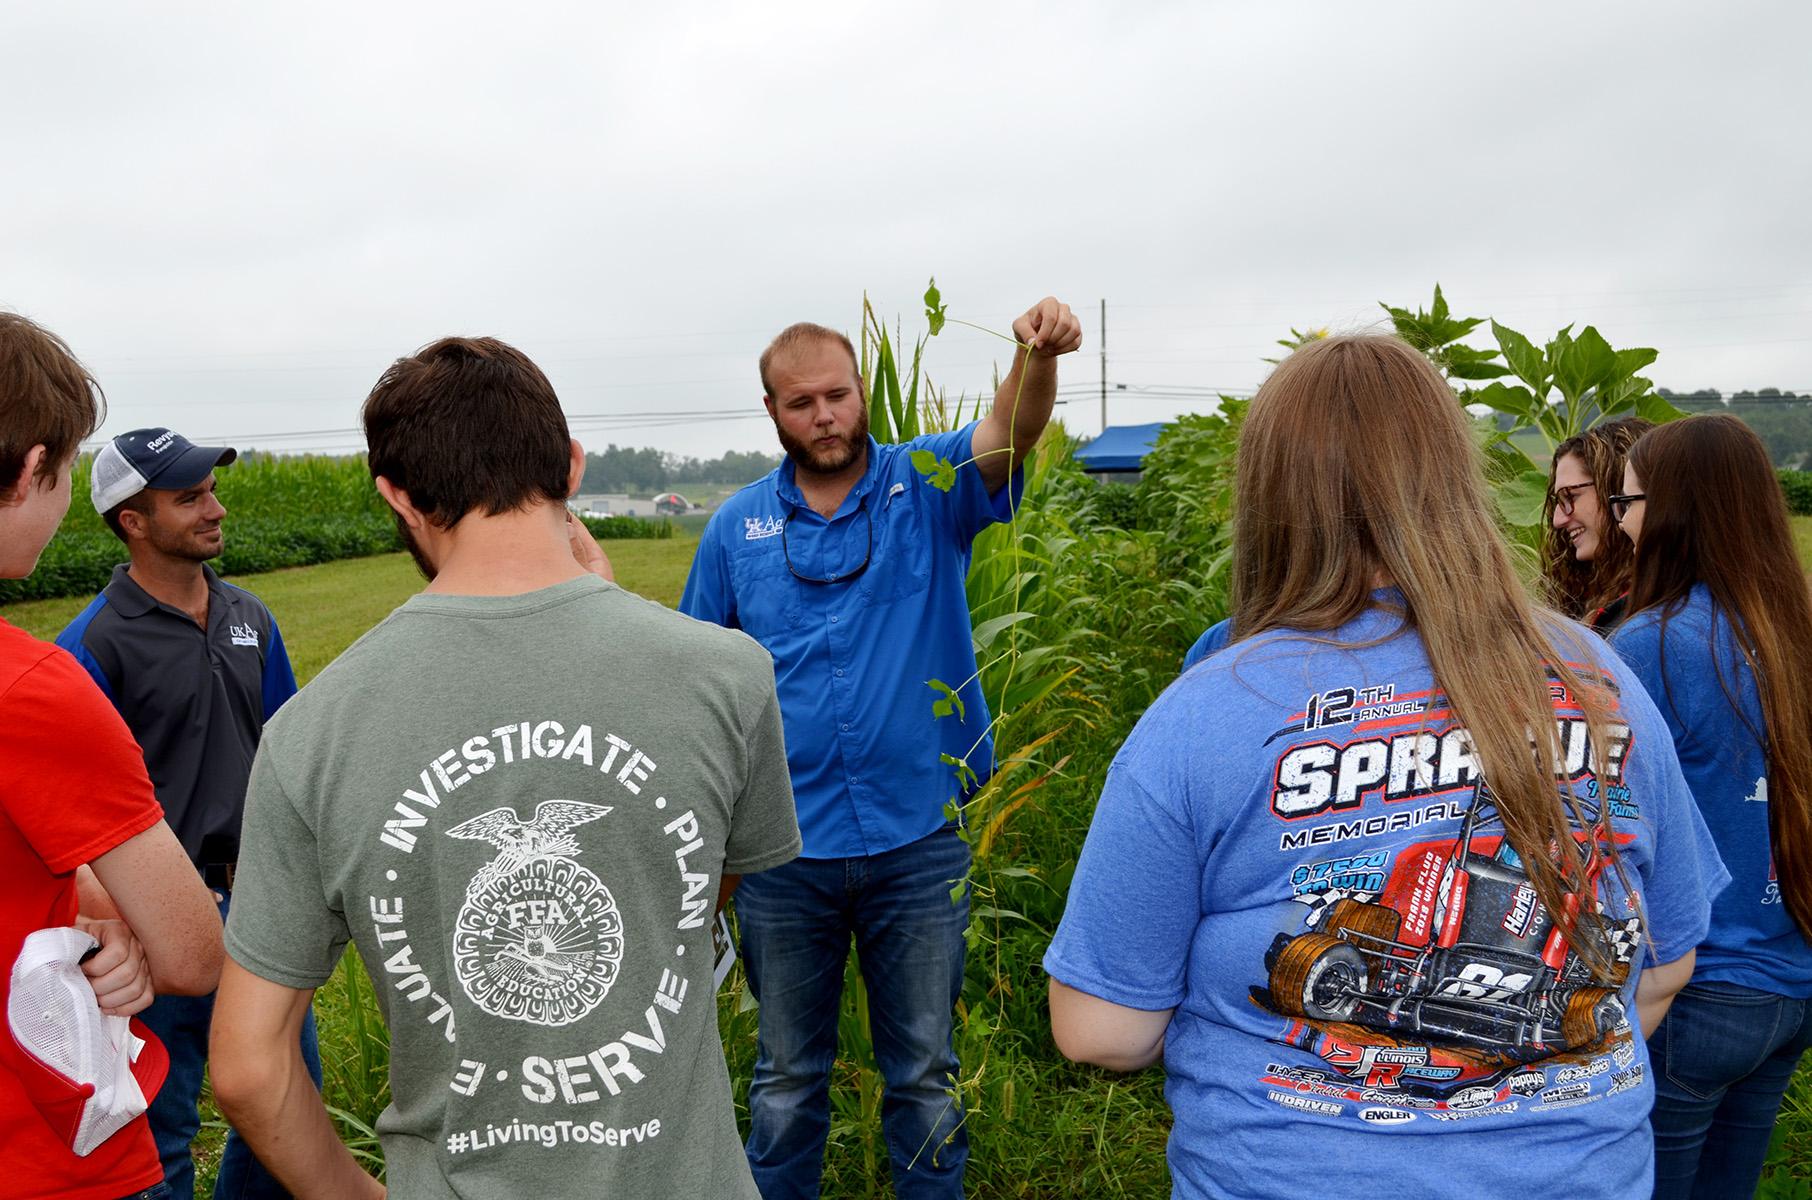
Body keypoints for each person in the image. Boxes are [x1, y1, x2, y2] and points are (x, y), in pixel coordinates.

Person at [1045, 335, 1727, 1200]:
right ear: (1455, 478)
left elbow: (1102, 1030)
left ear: (1271, 495)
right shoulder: (1596, 675)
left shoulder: (1208, 710)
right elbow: (1667, 960)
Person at [209, 336, 801, 1199]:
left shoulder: (310, 733)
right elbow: (693, 889)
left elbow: (249, 1069)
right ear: (570, 464)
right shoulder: (728, 675)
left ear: (398, 497)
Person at [680, 298, 1082, 1198]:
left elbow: (1010, 434)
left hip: (917, 842)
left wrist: (1036, 357)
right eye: (800, 403)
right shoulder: (735, 530)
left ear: (862, 394)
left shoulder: (927, 485)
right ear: (774, 413)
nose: (823, 416)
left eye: (838, 395)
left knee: (924, 1077)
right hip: (784, 855)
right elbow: (696, 679)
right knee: (786, 1083)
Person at [55, 428, 322, 1199]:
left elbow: (285, 751)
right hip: (158, 920)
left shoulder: (252, 618)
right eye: (190, 497)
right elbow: (71, 818)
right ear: (132, 522)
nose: (216, 508)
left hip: (261, 908)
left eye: (211, 491)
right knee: (161, 1125)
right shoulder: (93, 646)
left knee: (283, 1104)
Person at [0, 311, 223, 1200]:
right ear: (30, 469)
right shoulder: (40, 686)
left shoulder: (246, 616)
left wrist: (84, 898)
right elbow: (191, 954)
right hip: (46, 1153)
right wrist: (115, 919)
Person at [1606, 413, 1812, 1200]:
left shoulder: (1654, 643)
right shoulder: (1792, 631)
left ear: (1673, 510)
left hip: (1697, 990)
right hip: (1790, 980)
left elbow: (1605, 824)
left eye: (1626, 503)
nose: (1623, 525)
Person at [1544, 417, 1653, 632]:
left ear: (1620, 488)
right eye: (1559, 501)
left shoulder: (1645, 623)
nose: (1558, 520)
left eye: (1571, 496)